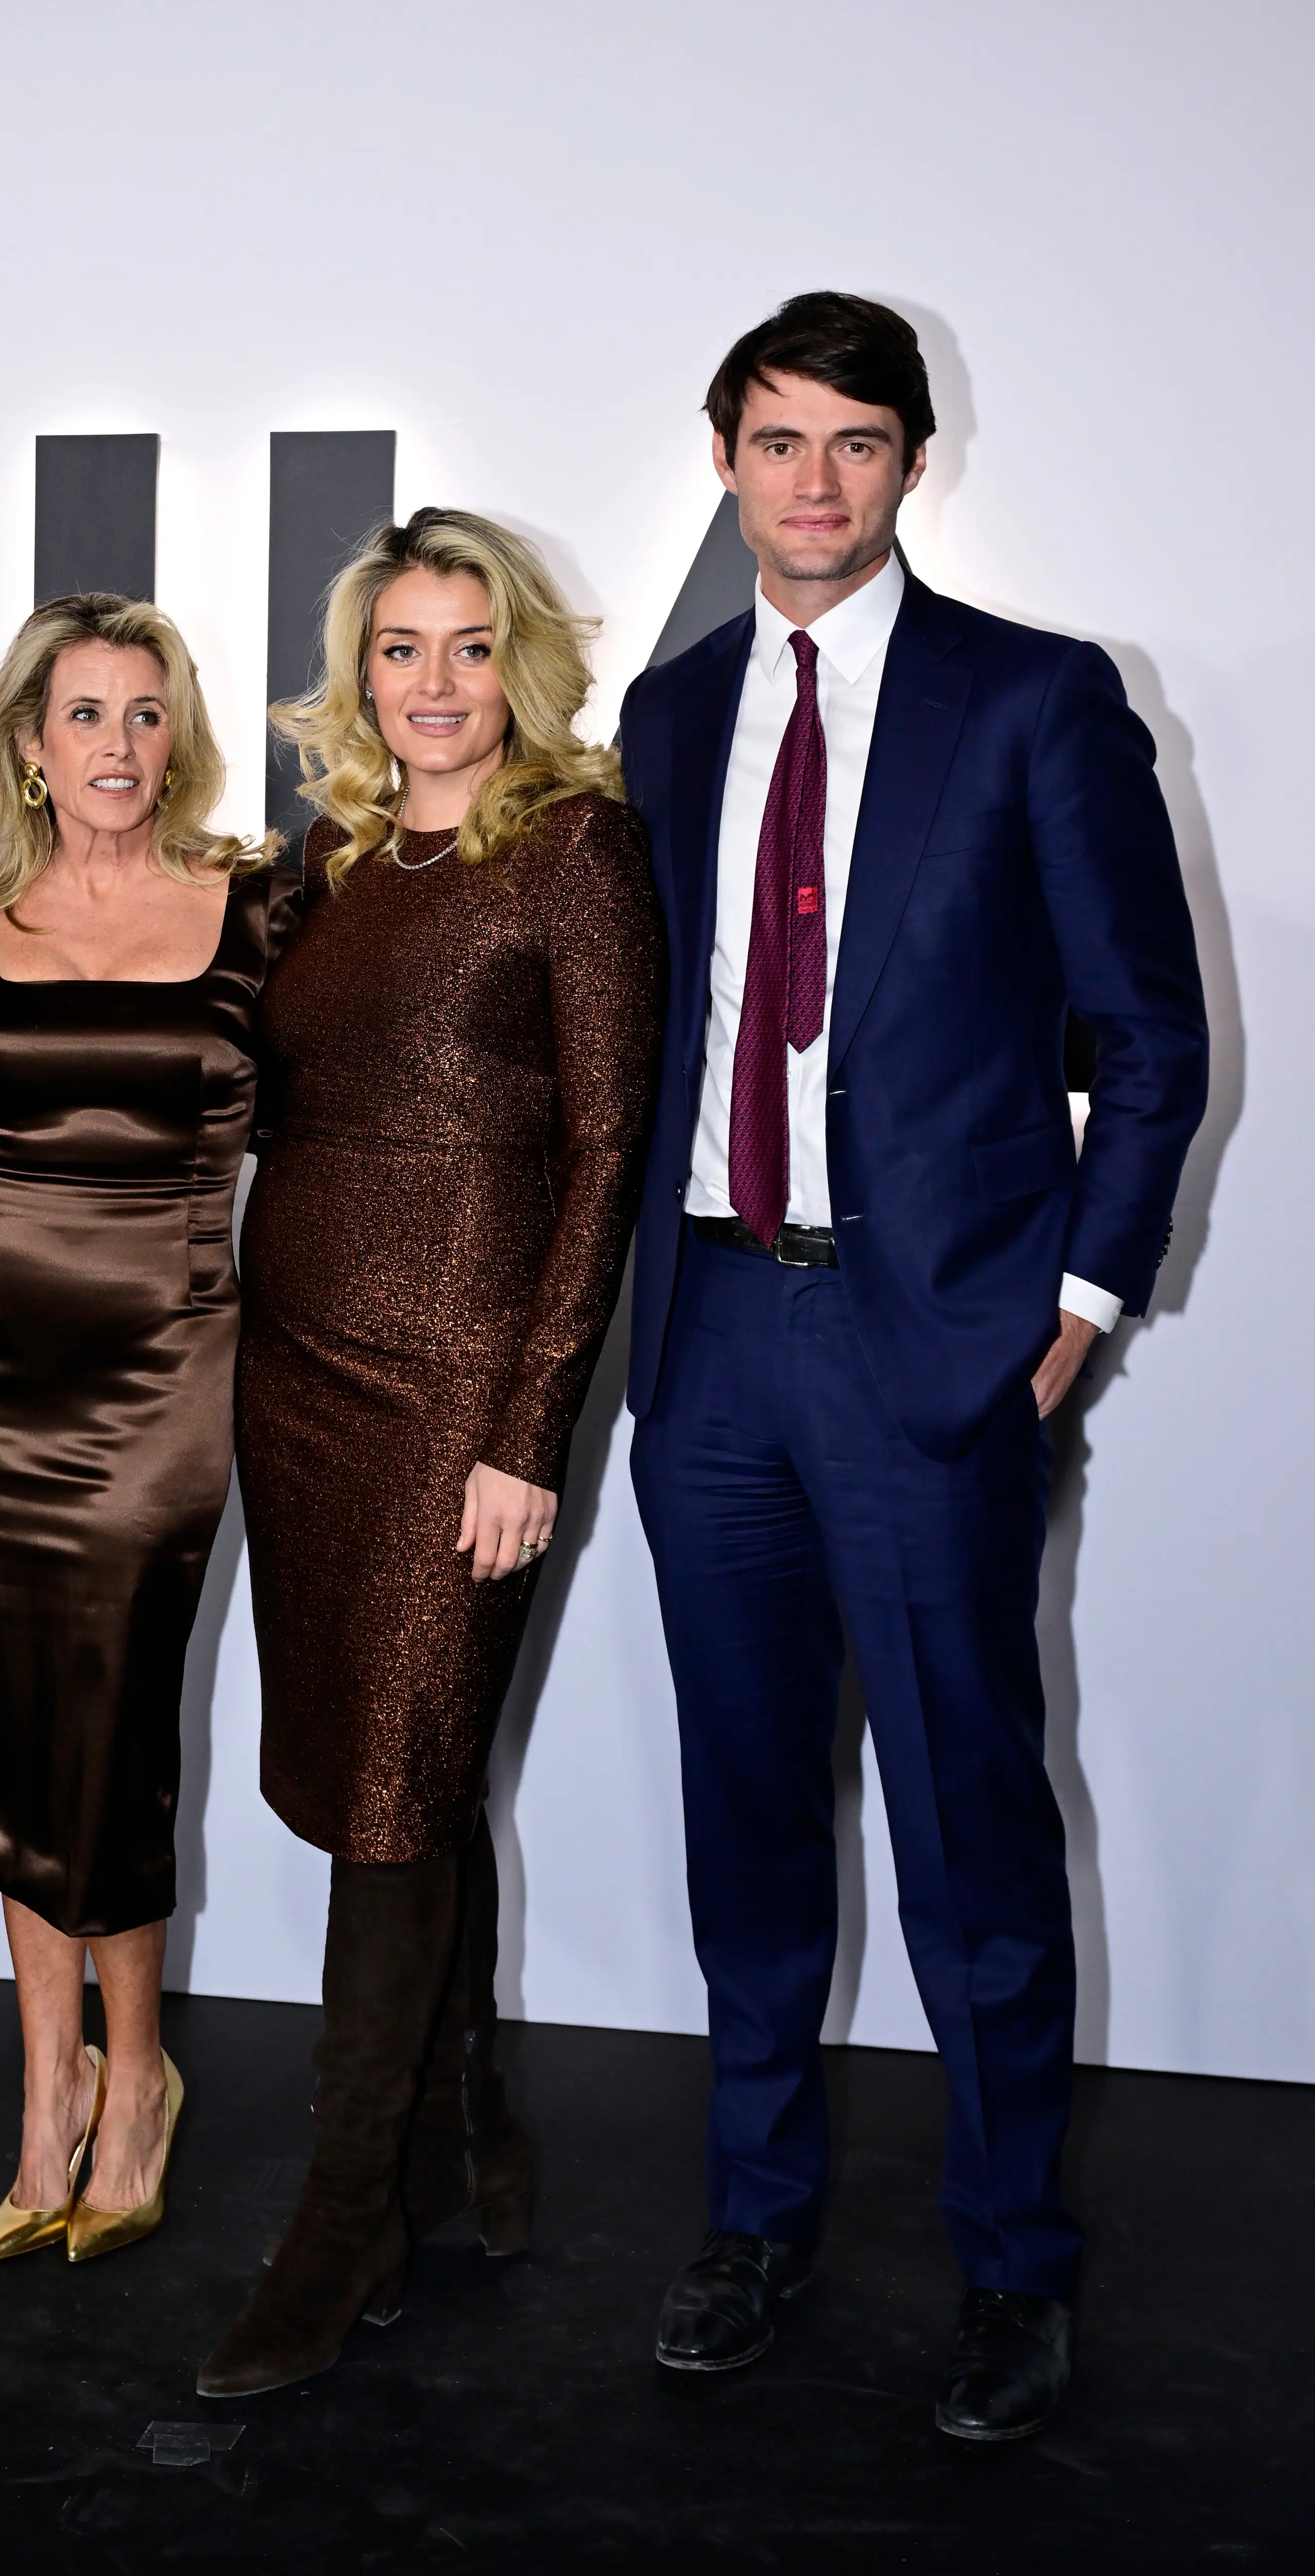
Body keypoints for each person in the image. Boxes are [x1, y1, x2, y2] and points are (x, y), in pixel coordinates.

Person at [620, 294, 1210, 2439]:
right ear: (722, 458)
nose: (814, 479)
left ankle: (1013, 2262)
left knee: (969, 1824)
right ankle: (755, 2215)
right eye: (777, 439)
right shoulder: (671, 713)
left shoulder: (1036, 698)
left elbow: (1149, 1038)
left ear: (912, 464)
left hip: (933, 1340)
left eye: (855, 442)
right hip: (708, 1337)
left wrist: (1080, 1302)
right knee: (746, 1813)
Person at [197, 510, 666, 2398]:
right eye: (402, 649)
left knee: (393, 1785)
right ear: (360, 671)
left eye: (471, 647)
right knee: (388, 1767)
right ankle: (469, 2145)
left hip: (463, 1390)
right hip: (299, 1369)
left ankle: (344, 2217)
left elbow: (609, 1157)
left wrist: (527, 1428)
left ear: (519, 663)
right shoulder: (320, 861)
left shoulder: (578, 849)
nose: (437, 683)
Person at [0, 594, 292, 2263]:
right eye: (85, 715)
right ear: (30, 743)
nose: (118, 744)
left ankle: (139, 2079)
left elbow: (351, 1127)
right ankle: (44, 2084)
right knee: (6, 1719)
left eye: (146, 712)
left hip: (169, 1356)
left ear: (177, 734)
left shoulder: (264, 906)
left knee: (112, 1720)